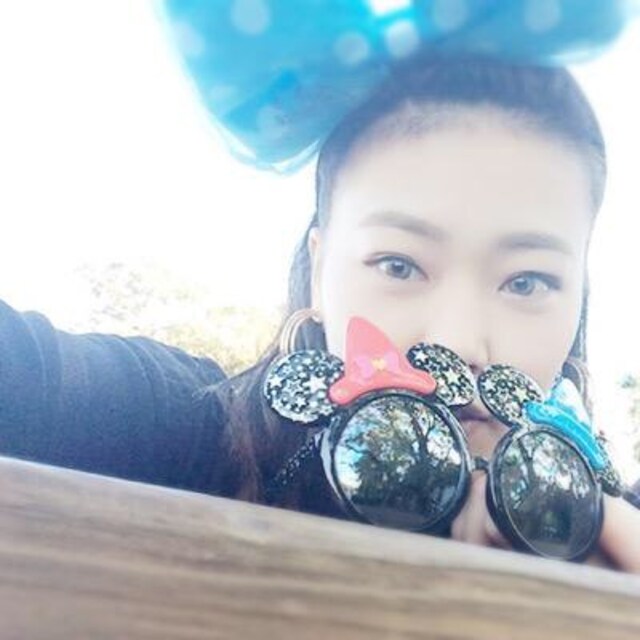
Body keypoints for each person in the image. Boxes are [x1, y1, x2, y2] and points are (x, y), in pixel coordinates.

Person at [2, 8, 640, 570]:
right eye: (398, 265)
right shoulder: (187, 433)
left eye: (527, 281)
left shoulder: (622, 532)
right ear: (318, 267)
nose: (458, 343)